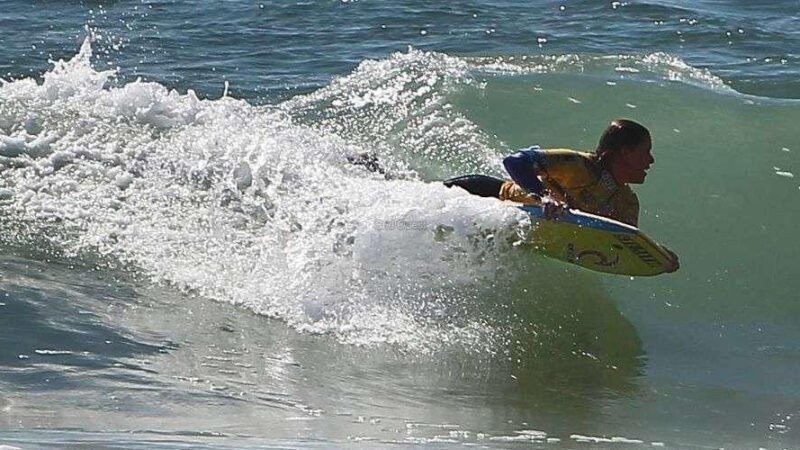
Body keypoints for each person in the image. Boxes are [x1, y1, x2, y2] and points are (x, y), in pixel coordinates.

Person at [444, 118, 679, 271]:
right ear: (624, 153)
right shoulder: (578, 165)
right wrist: (544, 197)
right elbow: (514, 161)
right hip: (481, 197)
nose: (651, 160)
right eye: (645, 152)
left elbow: (621, 243)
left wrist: (657, 257)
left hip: (506, 229)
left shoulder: (627, 202)